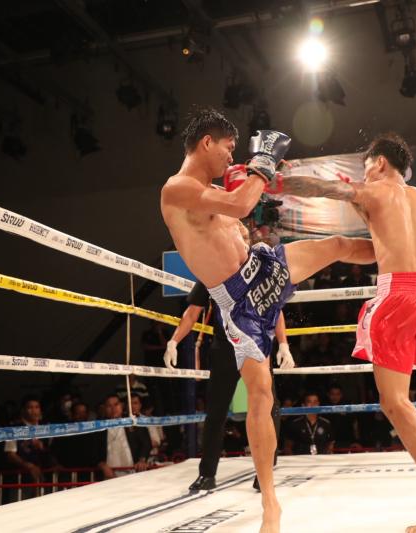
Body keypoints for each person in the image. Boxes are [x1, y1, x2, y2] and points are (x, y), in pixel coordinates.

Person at [159, 107, 375, 533]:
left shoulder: (213, 191)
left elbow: (241, 215)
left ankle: (410, 256)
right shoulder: (177, 188)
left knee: (338, 245)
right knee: (260, 394)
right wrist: (262, 163)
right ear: (207, 142)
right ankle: (270, 503)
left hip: (261, 269)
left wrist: (263, 178)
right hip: (239, 303)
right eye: (228, 147)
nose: (230, 155)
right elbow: (240, 204)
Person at [279, 132, 416, 532]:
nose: (364, 173)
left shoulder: (374, 191)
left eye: (366, 166)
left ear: (380, 163)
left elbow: (323, 188)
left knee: (393, 400)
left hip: (399, 297)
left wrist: (274, 182)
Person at [164, 223, 294, 492]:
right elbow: (192, 312)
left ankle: (265, 470)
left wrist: (284, 344)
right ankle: (207, 473)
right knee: (216, 410)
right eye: (234, 236)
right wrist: (174, 341)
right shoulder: (212, 270)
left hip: (257, 346)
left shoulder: (261, 271)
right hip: (225, 348)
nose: (238, 241)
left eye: (242, 237)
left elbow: (276, 309)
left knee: (269, 406)